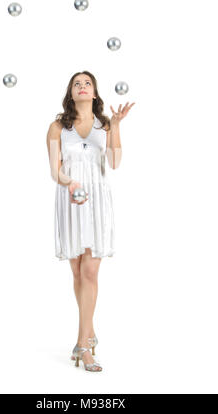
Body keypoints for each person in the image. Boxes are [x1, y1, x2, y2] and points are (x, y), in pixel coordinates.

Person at [46, 71, 134, 371]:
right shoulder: (58, 126)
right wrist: (70, 184)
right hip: (71, 200)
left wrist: (117, 127)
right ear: (71, 93)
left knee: (90, 273)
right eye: (76, 84)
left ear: (95, 93)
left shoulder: (105, 124)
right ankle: (90, 331)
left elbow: (114, 162)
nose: (82, 87)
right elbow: (55, 171)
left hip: (97, 202)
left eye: (87, 83)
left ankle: (83, 346)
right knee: (77, 273)